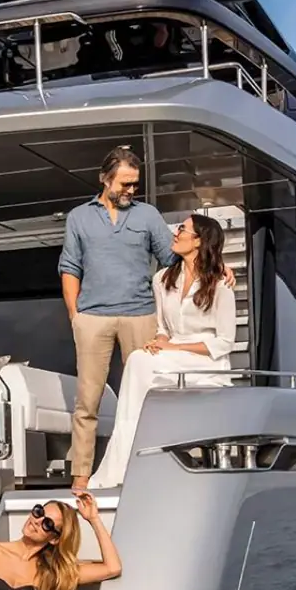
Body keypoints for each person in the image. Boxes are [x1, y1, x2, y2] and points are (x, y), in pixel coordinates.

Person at [58, 144, 175, 493]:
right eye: (125, 183)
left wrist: (214, 267)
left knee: (148, 398)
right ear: (104, 179)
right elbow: (70, 266)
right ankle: (81, 476)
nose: (131, 190)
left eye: (135, 184)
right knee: (87, 401)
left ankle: (149, 469)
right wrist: (75, 314)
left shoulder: (147, 215)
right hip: (92, 319)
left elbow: (173, 258)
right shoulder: (79, 217)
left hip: (141, 316)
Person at [90, 214, 238, 489]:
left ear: (199, 241)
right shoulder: (162, 279)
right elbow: (163, 328)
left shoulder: (220, 284)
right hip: (172, 357)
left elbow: (225, 342)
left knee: (139, 363)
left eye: (182, 229)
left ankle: (132, 462)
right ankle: (131, 458)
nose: (175, 233)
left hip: (207, 361)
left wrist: (173, 347)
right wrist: (158, 342)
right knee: (139, 360)